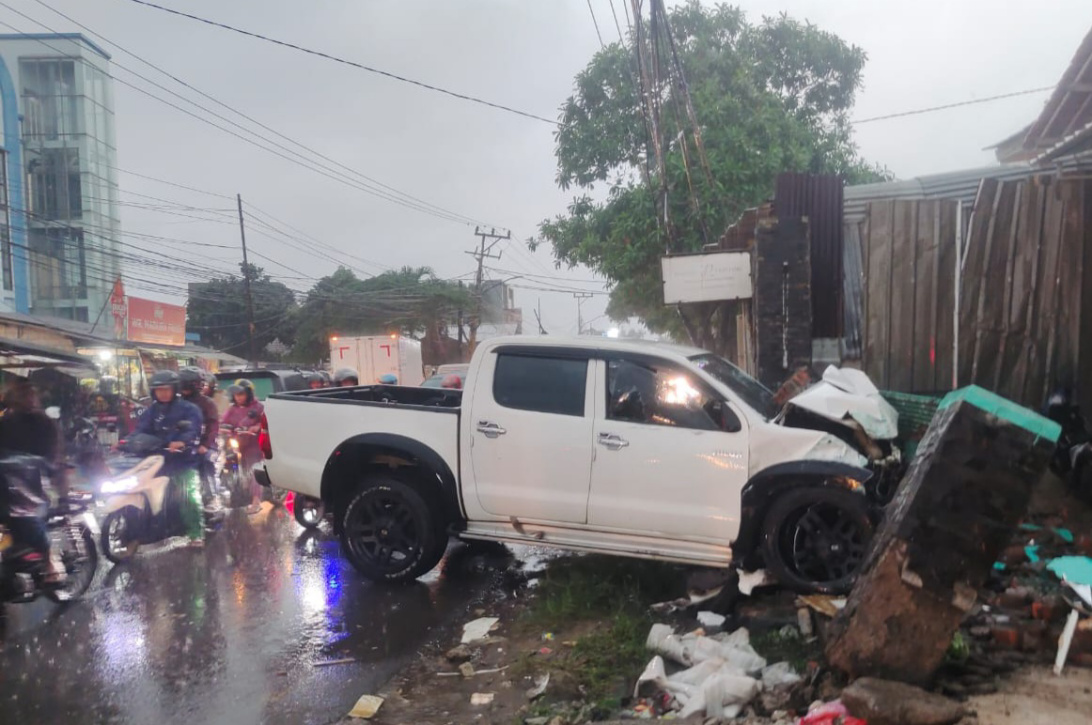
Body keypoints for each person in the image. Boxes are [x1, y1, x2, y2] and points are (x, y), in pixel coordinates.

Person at [0, 381, 66, 583]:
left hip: (36, 484)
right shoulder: (5, 422)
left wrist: (42, 468)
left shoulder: (44, 422)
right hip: (8, 482)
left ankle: (49, 558)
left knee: (26, 519)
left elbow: (52, 454)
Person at [134, 370, 205, 548]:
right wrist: (127, 441)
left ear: (175, 390)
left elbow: (193, 429)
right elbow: (141, 430)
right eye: (159, 390)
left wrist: (181, 441)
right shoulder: (152, 411)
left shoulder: (189, 409)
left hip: (182, 461)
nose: (163, 393)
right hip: (156, 460)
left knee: (187, 496)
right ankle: (141, 532)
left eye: (167, 389)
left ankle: (196, 533)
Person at [179, 367, 220, 515]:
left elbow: (213, 426)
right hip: (183, 444)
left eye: (187, 383)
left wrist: (205, 444)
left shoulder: (207, 403)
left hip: (205, 445)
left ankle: (211, 497)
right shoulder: (176, 403)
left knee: (206, 462)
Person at [221, 379, 265, 514]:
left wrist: (256, 427)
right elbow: (223, 422)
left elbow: (264, 422)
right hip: (236, 443)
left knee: (253, 472)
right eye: (236, 394)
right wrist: (222, 428)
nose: (238, 397)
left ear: (249, 394)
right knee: (225, 464)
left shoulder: (258, 407)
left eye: (241, 394)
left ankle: (256, 501)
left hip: (253, 445)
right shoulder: (232, 409)